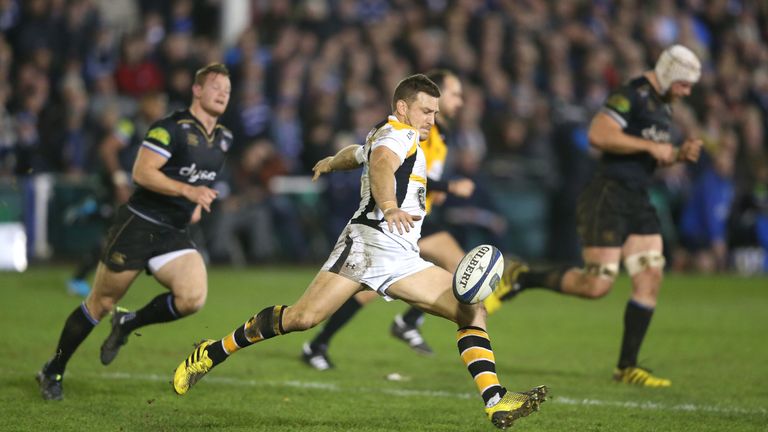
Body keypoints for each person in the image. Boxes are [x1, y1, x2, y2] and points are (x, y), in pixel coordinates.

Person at [171, 74, 547, 429]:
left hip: (401, 255)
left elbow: (360, 153)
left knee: (471, 309)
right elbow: (382, 163)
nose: (433, 118)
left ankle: (495, 398)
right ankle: (213, 351)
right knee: (301, 318)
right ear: (403, 107)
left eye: (435, 111)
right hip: (365, 247)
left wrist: (332, 162)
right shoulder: (399, 136)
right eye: (426, 111)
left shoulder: (388, 133)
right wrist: (388, 205)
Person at [484, 45, 703, 388]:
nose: (687, 92)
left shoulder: (662, 107)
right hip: (608, 196)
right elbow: (598, 135)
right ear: (670, 74)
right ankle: (523, 277)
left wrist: (676, 155)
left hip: (638, 200)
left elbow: (647, 154)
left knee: (650, 281)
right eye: (685, 84)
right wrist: (652, 148)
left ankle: (626, 367)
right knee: (596, 285)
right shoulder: (629, 95)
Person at [36, 63, 233, 401]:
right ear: (197, 90)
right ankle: (52, 370)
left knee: (192, 299)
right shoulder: (169, 128)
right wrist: (188, 193)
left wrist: (197, 203)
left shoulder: (224, 139)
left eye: (227, 89)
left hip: (174, 231)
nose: (222, 93)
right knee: (102, 302)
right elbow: (142, 173)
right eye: (215, 86)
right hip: (140, 223)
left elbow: (202, 177)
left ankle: (128, 324)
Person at [301, 69, 475, 370]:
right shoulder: (411, 132)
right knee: (460, 271)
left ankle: (323, 341)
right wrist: (444, 188)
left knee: (368, 290)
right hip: (396, 223)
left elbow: (367, 155)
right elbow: (384, 164)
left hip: (410, 222)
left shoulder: (435, 135)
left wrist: (332, 162)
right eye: (454, 94)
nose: (459, 101)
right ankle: (405, 322)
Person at [66, 92, 168, 297]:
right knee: (116, 236)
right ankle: (80, 278)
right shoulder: (129, 125)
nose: (160, 109)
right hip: (116, 187)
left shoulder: (155, 130)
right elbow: (107, 149)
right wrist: (119, 181)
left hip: (134, 190)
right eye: (156, 103)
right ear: (145, 104)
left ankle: (94, 211)